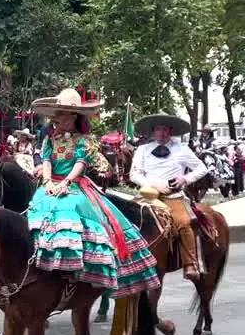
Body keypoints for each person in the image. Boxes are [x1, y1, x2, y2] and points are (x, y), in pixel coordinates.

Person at [30, 88, 160, 295]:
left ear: (72, 116)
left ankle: (79, 267)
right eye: (55, 114)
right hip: (50, 184)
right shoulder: (49, 140)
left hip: (74, 185)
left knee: (71, 207)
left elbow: (80, 164)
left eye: (60, 114)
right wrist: (47, 182)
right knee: (34, 209)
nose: (55, 118)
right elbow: (46, 161)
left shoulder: (84, 141)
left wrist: (65, 182)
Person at [129, 112, 209, 282]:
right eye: (158, 129)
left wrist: (184, 179)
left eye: (165, 129)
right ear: (153, 131)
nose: (161, 133)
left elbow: (202, 168)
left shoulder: (182, 149)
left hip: (173, 196)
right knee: (123, 220)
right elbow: (134, 174)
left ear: (170, 130)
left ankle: (191, 263)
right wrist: (150, 184)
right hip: (147, 195)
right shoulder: (142, 149)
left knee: (184, 222)